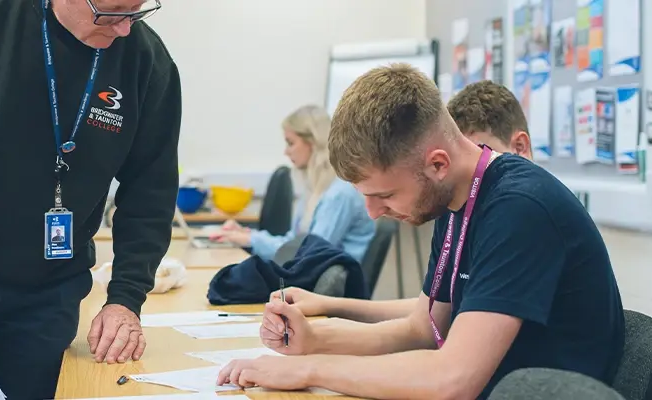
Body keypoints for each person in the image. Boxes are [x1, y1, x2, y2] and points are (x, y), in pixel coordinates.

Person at [216, 64, 624, 399]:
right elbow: (422, 328)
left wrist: (308, 369)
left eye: (386, 194)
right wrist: (315, 341)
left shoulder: (520, 207)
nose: (374, 213)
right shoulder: (455, 200)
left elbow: (453, 379)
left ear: (438, 164)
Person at [0, 0, 182, 398]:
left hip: (48, 293)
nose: (125, 28)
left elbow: (151, 193)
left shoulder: (147, 62)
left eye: (137, 11)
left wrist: (125, 299)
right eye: (112, 12)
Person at [276, 80, 537, 323]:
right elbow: (430, 311)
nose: (470, 166)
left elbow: (458, 362)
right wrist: (327, 305)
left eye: (480, 152)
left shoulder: (518, 210)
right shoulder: (459, 207)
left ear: (520, 147)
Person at [210, 105, 375, 263]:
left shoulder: (339, 194)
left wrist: (251, 239)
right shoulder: (315, 189)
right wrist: (248, 236)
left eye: (290, 143)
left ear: (312, 142)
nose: (286, 151)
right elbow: (294, 242)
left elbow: (310, 254)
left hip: (328, 287)